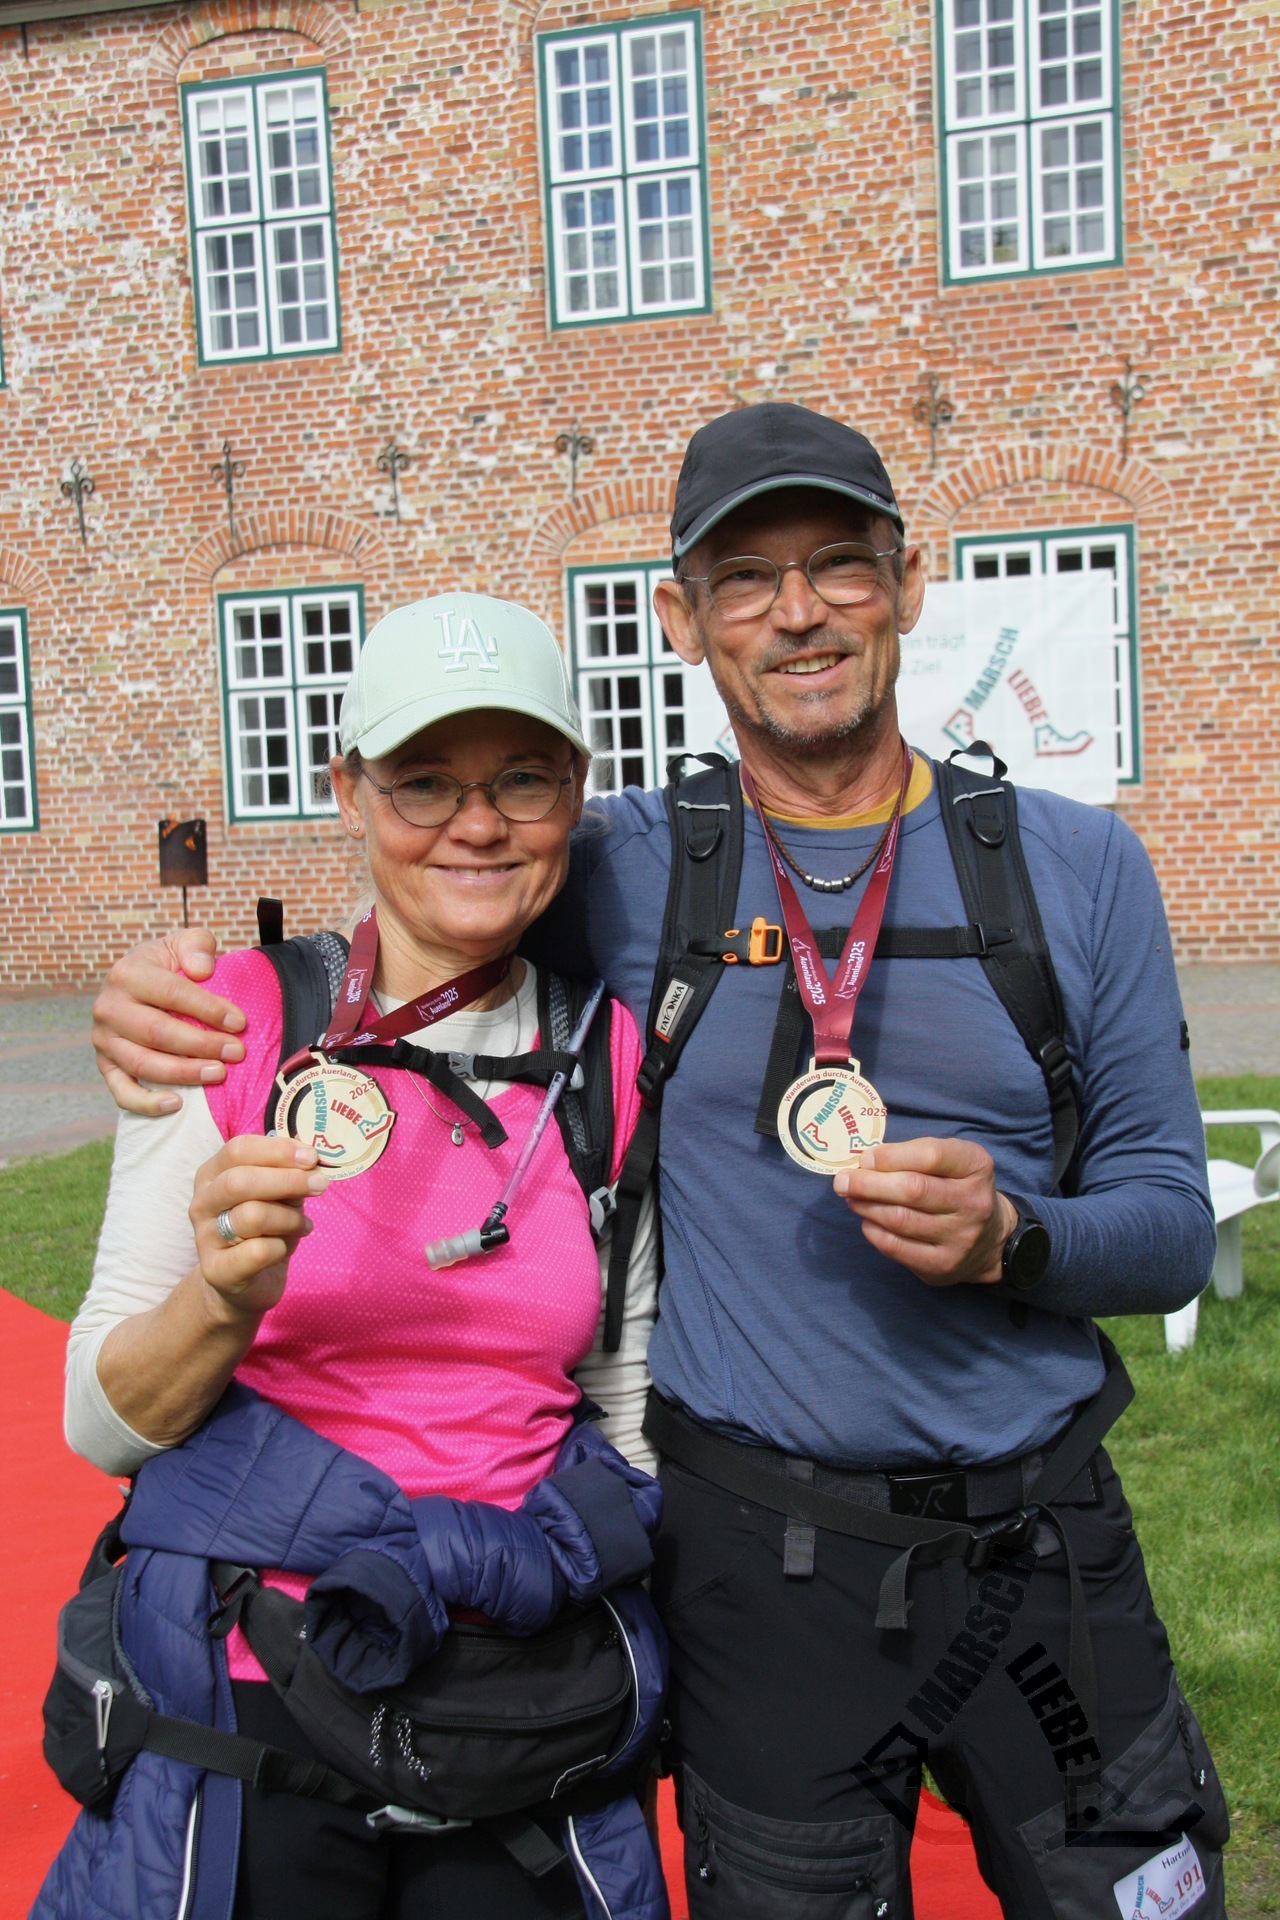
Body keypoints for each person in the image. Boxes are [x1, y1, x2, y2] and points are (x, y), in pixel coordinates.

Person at [90, 404, 1229, 1920]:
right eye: (744, 576)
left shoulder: (1077, 867)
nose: (798, 610)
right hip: (764, 1573)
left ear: (908, 581)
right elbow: (432, 895)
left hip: (1045, 1548)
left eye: (840, 563)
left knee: (1142, 1903)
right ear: (681, 619)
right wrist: (172, 998)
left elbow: (1168, 1223)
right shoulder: (621, 862)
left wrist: (1016, 1239)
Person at [46, 593, 669, 1920]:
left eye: (521, 779)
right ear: (350, 791)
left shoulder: (612, 1061)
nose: (476, 823)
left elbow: (626, 1405)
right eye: (424, 781)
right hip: (256, 1674)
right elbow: (99, 1426)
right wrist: (222, 1299)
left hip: (516, 1679)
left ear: (575, 791)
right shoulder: (229, 1022)